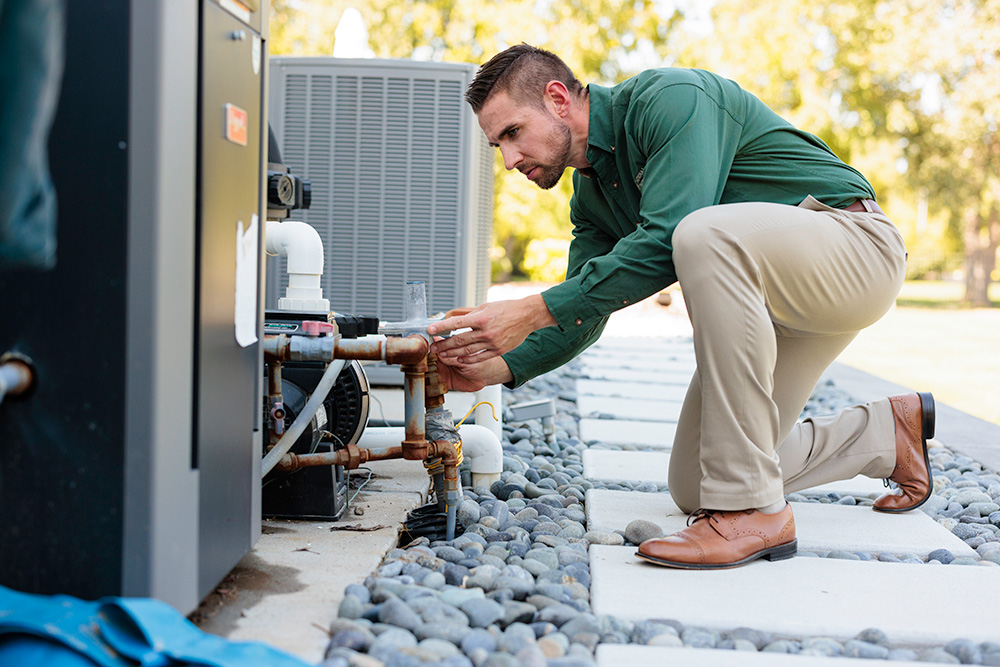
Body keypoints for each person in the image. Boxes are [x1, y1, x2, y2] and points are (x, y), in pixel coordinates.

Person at [425, 44, 934, 570]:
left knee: (699, 232)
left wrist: (528, 310)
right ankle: (885, 435)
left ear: (557, 98)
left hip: (852, 249)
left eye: (512, 133)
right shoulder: (592, 195)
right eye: (497, 145)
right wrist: (496, 365)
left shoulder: (670, 100)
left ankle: (755, 513)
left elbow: (672, 236)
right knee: (696, 483)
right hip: (773, 301)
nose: (509, 160)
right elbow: (584, 304)